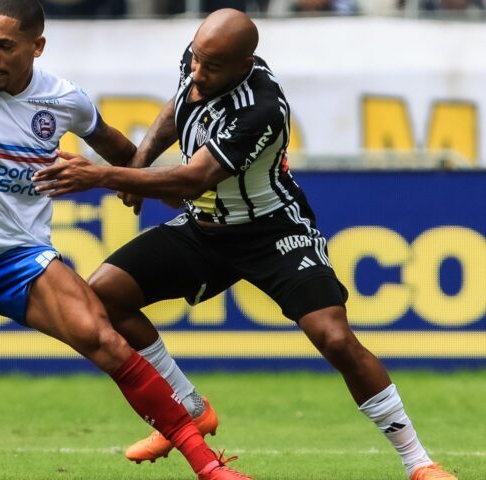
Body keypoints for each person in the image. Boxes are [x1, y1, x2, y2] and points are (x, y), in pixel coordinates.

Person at [33, 8, 457, 480]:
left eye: (211, 66)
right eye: (195, 58)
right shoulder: (199, 64)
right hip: (206, 228)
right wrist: (139, 159)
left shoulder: (261, 108)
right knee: (104, 297)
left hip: (272, 231)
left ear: (244, 63)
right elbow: (175, 109)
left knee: (335, 338)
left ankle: (418, 462)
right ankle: (188, 405)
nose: (197, 71)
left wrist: (102, 173)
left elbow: (194, 178)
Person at [0, 1, 252, 479]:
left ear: (36, 47)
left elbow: (125, 157)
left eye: (3, 46)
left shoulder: (65, 101)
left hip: (22, 260)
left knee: (106, 340)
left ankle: (208, 466)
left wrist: (168, 189)